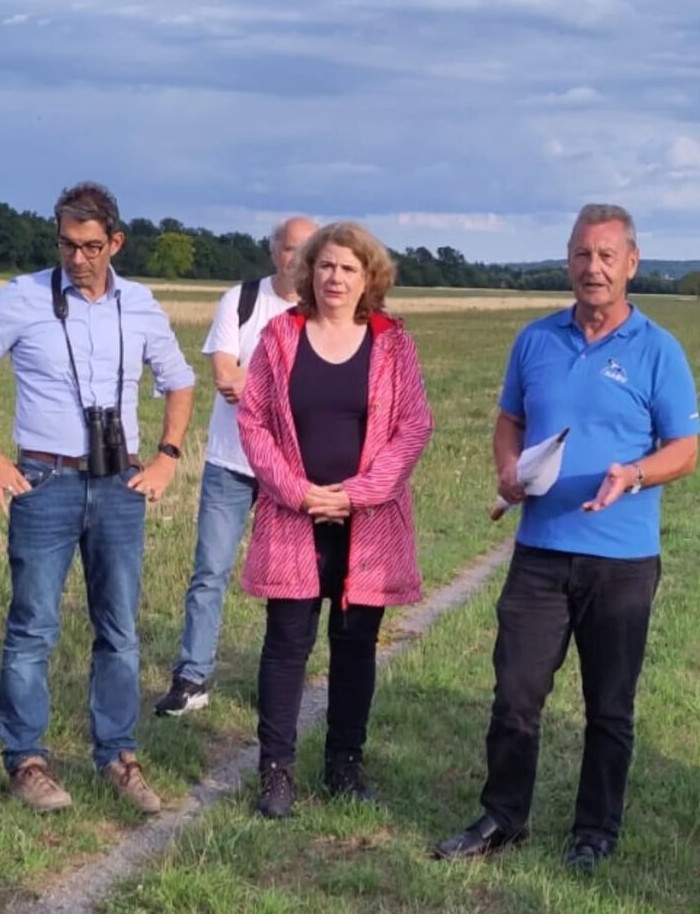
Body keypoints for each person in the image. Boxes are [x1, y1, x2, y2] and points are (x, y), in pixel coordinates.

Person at [433, 204, 698, 871]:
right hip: (541, 554)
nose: (593, 268)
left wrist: (635, 473)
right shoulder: (536, 340)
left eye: (608, 256)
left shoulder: (658, 349)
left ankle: (594, 831)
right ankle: (503, 816)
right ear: (567, 261)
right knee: (516, 694)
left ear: (632, 264)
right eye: (582, 254)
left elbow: (686, 446)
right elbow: (509, 419)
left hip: (623, 560)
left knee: (610, 705)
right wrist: (505, 466)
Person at [0, 182, 195, 814]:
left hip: (118, 486)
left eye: (90, 246)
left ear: (115, 242)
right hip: (45, 481)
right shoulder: (23, 297)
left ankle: (119, 756)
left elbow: (180, 381)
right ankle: (26, 761)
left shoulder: (139, 304)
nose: (77, 258)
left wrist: (167, 457)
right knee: (32, 626)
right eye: (65, 244)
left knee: (120, 629)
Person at [237, 221, 434, 818]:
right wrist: (298, 492)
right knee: (287, 644)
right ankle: (276, 772)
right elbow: (253, 422)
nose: (335, 278)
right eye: (325, 266)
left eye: (349, 268)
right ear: (308, 272)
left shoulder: (392, 343)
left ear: (369, 276)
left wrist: (355, 494)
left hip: (367, 522)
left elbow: (413, 428)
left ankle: (345, 764)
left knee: (355, 648)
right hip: (293, 517)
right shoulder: (280, 336)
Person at [154, 216, 316, 716]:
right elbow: (226, 377)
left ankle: (282, 676)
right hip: (230, 462)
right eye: (290, 249)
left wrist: (262, 384)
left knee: (288, 579)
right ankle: (192, 677)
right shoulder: (241, 300)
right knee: (210, 571)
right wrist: (282, 386)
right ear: (274, 253)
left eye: (309, 251)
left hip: (289, 469)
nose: (299, 260)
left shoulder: (322, 313)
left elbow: (316, 394)